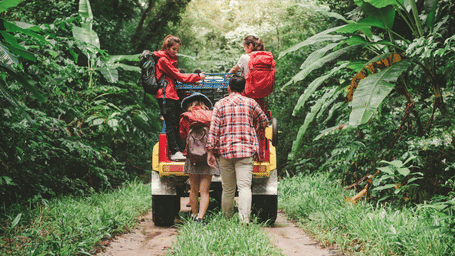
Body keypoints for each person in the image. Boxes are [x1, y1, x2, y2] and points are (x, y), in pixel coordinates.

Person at [206, 74, 269, 224]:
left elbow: (213, 130)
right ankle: (244, 221)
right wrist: (254, 127)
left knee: (227, 189)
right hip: (246, 151)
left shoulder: (220, 104)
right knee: (244, 187)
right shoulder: (251, 103)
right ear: (244, 88)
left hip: (225, 152)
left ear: (228, 88)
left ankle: (227, 220)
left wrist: (210, 151)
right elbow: (264, 121)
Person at [155, 35, 206, 161]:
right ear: (166, 47)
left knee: (177, 121)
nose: (175, 52)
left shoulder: (167, 59)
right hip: (165, 96)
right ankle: (174, 151)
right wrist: (197, 77)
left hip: (170, 95)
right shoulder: (163, 60)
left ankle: (180, 149)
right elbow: (179, 76)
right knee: (171, 124)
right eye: (173, 49)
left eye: (177, 50)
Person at [179, 92, 219, 224]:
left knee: (193, 189)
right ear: (204, 104)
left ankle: (194, 216)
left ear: (190, 104)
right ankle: (201, 218)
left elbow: (183, 136)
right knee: (205, 191)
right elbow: (215, 135)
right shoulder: (211, 116)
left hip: (192, 157)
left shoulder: (185, 117)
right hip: (208, 156)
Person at [227, 35, 266, 110]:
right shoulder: (264, 57)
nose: (244, 49)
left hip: (249, 91)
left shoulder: (245, 57)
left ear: (250, 46)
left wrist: (227, 75)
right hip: (261, 91)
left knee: (246, 112)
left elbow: (234, 69)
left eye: (244, 47)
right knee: (259, 112)